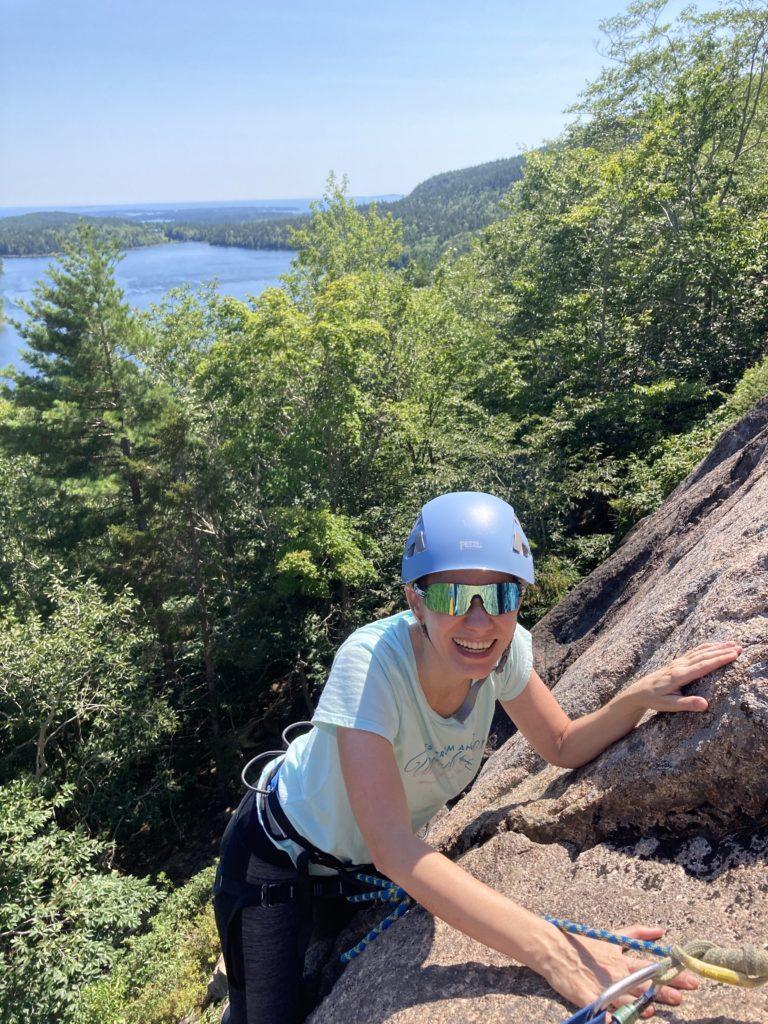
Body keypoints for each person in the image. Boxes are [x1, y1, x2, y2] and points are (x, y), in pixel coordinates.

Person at [213, 491, 742, 1024]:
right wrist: (557, 953)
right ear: (415, 600)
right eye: (450, 596)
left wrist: (636, 697)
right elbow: (395, 847)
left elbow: (560, 745)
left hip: (353, 866)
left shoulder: (505, 655)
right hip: (276, 851)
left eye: (499, 595)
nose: (478, 622)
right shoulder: (372, 664)